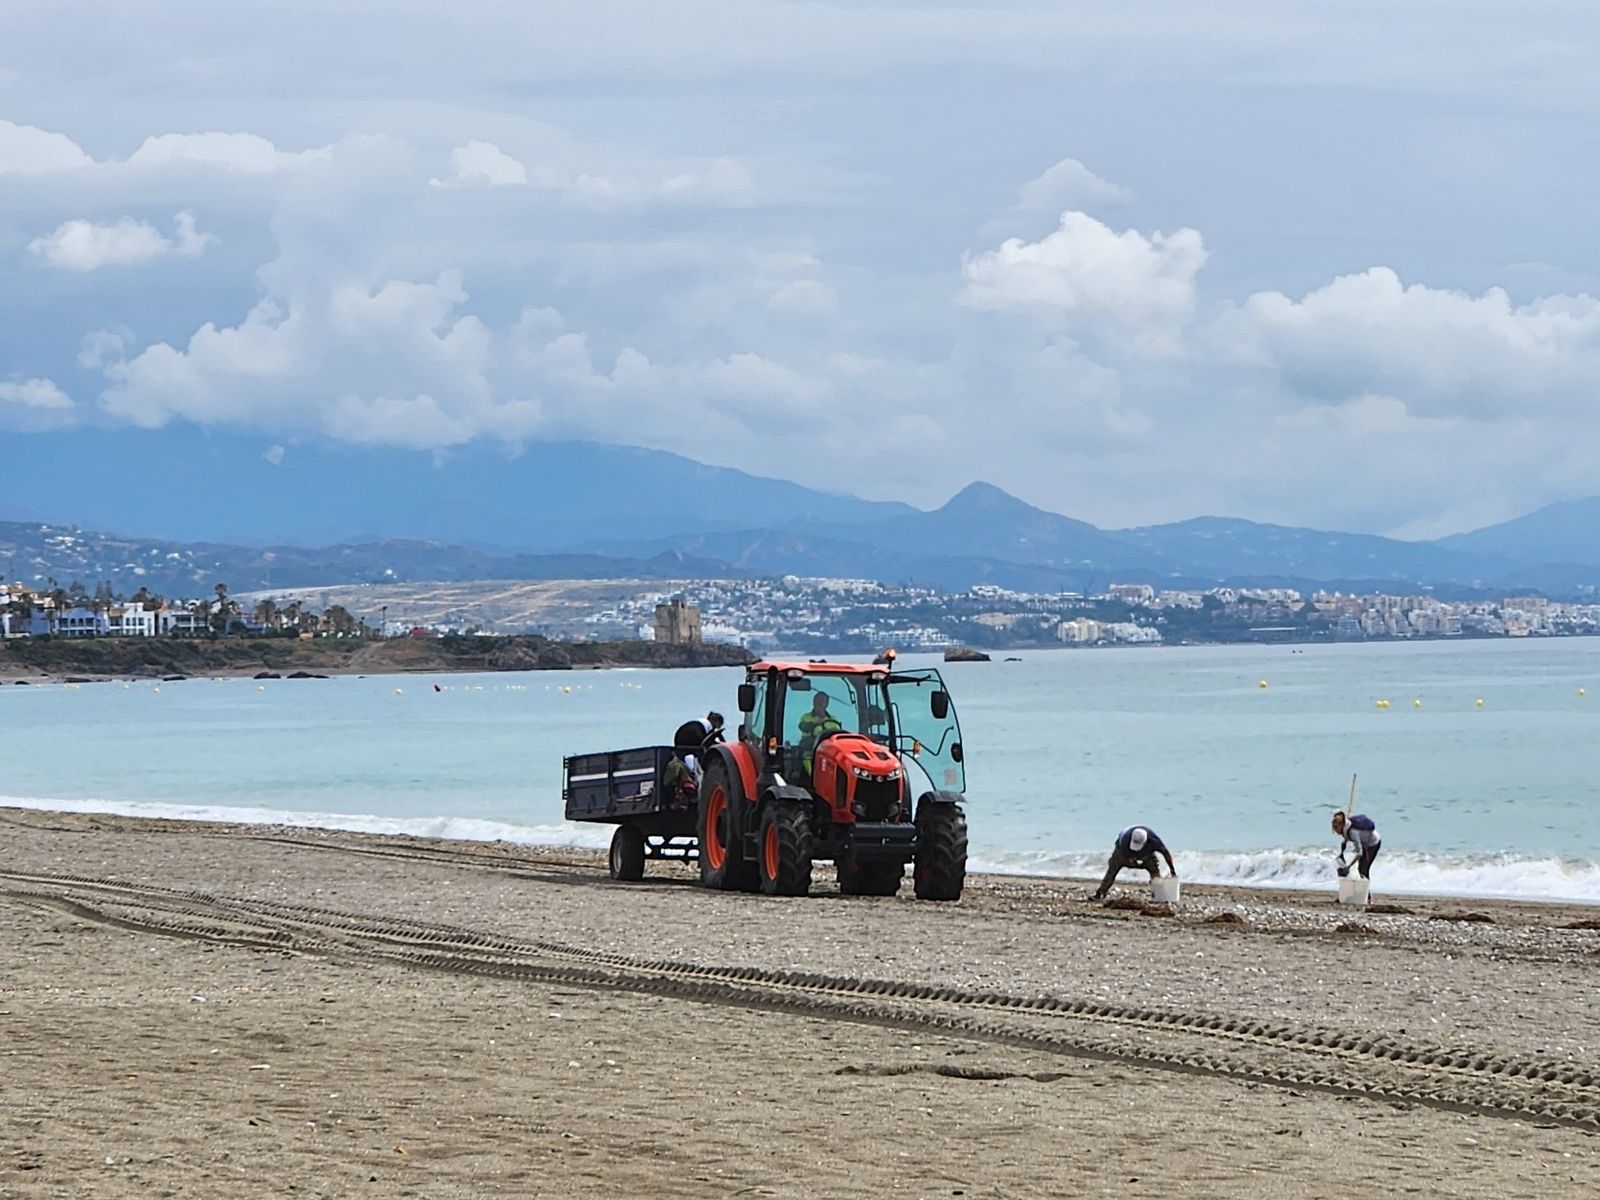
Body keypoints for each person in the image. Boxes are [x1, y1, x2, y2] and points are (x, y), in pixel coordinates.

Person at [1092, 825, 1177, 900]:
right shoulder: (1124, 840)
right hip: (1123, 853)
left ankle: (1158, 895)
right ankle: (1100, 893)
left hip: (1146, 855)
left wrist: (1172, 869)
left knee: (1155, 871)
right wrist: (1133, 861)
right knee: (1113, 868)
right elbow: (1125, 855)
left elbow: (1166, 854)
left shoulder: (1154, 841)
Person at [672, 711, 724, 784]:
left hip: (680, 740)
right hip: (693, 738)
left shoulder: (700, 722)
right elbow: (710, 738)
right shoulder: (708, 726)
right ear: (716, 722)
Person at [797, 692, 843, 775]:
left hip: (829, 751)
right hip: (810, 750)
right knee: (807, 759)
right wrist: (817, 723)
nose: (819, 702)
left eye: (822, 700)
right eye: (817, 700)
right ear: (813, 702)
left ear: (827, 704)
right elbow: (804, 727)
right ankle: (813, 777)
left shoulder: (833, 719)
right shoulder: (806, 717)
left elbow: (838, 735)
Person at [1333, 810, 1381, 879]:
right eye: (1334, 827)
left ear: (1342, 825)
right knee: (1361, 867)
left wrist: (1348, 867)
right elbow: (1345, 841)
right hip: (1364, 842)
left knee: (1364, 869)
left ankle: (1366, 884)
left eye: (1336, 827)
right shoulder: (1346, 825)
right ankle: (1363, 882)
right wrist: (1341, 853)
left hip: (1373, 843)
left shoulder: (1353, 833)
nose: (1335, 830)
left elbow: (1359, 853)